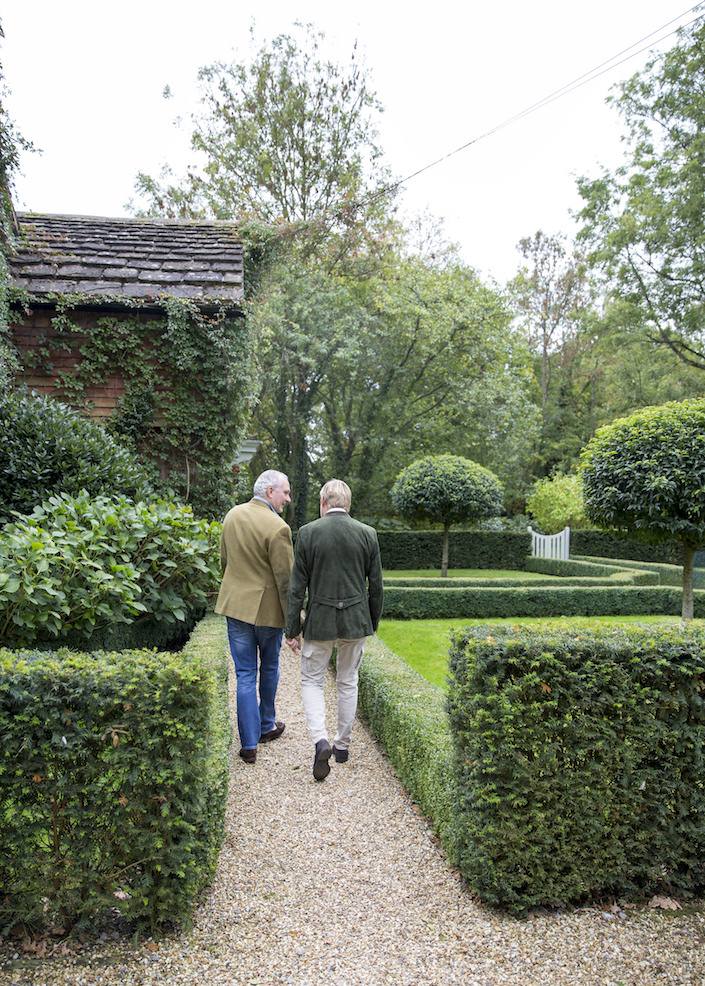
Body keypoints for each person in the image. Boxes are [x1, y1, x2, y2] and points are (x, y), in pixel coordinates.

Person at [285, 479, 384, 781]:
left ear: (323, 502)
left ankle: (321, 740)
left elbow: (296, 587)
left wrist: (292, 627)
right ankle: (342, 747)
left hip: (320, 621)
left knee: (312, 681)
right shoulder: (368, 534)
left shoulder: (308, 533)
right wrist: (372, 622)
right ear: (348, 503)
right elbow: (377, 586)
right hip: (355, 619)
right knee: (348, 680)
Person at [215, 469, 294, 765]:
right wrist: (293, 625)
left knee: (244, 674)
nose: (288, 498)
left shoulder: (232, 515)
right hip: (267, 612)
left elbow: (225, 562)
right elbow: (286, 582)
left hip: (235, 608)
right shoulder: (278, 527)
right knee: (269, 666)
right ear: (270, 491)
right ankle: (266, 726)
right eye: (285, 492)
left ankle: (248, 745)